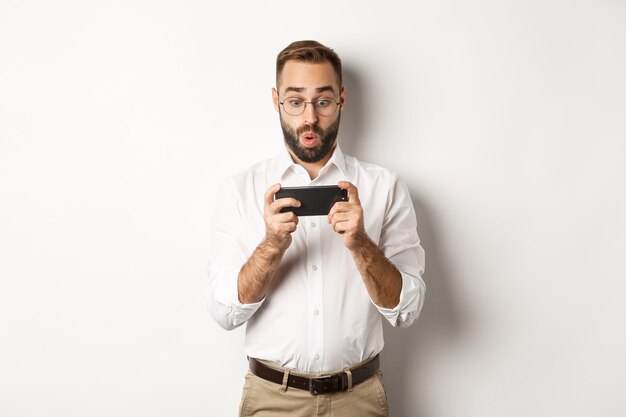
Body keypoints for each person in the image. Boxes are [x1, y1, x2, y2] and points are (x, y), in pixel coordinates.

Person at [207, 40, 426, 417]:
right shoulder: (239, 189)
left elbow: (406, 312)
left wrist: (360, 244)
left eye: (323, 101)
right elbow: (224, 314)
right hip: (272, 399)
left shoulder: (384, 187)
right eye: (295, 101)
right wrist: (272, 245)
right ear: (276, 100)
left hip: (359, 398)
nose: (309, 118)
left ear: (341, 99)